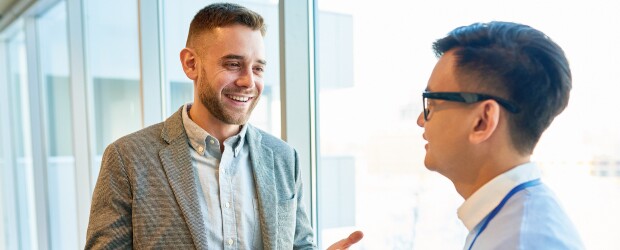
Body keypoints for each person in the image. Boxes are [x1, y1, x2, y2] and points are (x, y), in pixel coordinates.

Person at [85, 3, 362, 249]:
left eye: (258, 68)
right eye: (233, 64)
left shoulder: (284, 158)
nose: (248, 82)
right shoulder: (127, 158)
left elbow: (299, 244)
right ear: (191, 64)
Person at [417, 21, 585, 249]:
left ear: (482, 121)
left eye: (432, 103)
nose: (420, 120)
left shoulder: (523, 241)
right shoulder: (508, 221)